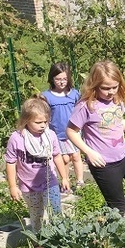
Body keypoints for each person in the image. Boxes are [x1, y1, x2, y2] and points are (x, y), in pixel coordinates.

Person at [66, 60, 125, 214]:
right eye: (105, 88)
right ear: (94, 85)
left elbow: (118, 122)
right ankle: (111, 226)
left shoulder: (116, 100)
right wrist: (89, 152)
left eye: (115, 87)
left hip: (123, 156)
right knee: (117, 210)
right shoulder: (86, 106)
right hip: (104, 165)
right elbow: (71, 131)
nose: (111, 92)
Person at [5, 97, 70, 232]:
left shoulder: (50, 135)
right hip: (29, 186)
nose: (43, 125)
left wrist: (64, 177)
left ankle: (61, 239)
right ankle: (38, 241)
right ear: (26, 120)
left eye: (46, 122)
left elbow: (57, 155)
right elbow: (11, 162)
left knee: (56, 211)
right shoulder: (17, 138)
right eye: (38, 122)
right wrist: (12, 186)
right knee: (36, 216)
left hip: (49, 181)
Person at [42, 62, 85, 190]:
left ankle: (80, 181)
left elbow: (81, 109)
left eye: (64, 79)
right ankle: (65, 182)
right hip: (57, 133)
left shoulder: (74, 94)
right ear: (52, 79)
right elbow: (43, 113)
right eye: (58, 79)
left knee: (76, 156)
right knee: (64, 159)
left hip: (73, 131)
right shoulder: (47, 96)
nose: (61, 82)